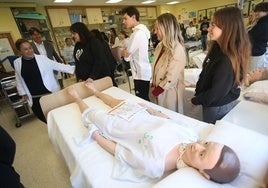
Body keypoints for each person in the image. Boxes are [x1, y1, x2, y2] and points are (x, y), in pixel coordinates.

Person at [67, 80, 240, 184]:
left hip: (119, 128)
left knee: (92, 115)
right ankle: (96, 91)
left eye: (202, 155)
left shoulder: (156, 165)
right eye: (206, 144)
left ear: (203, 173)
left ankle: (76, 98)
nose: (197, 147)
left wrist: (96, 135)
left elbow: (118, 150)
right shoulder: (191, 135)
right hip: (141, 116)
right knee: (117, 102)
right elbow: (167, 119)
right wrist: (149, 109)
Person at [189, 7, 251, 124]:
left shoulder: (226, 60)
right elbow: (205, 74)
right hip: (213, 103)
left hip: (216, 107)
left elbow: (216, 93)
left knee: (212, 136)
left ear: (228, 28)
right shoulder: (218, 48)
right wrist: (198, 93)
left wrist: (197, 100)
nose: (208, 29)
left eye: (213, 25)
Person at [14, 39, 75, 123]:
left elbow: (57, 65)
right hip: (34, 97)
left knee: (58, 117)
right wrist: (23, 92)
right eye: (25, 49)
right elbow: (18, 78)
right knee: (44, 118)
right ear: (20, 51)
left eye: (30, 48)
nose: (30, 51)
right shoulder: (17, 62)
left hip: (48, 94)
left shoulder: (42, 58)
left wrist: (76, 68)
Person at [150, 13, 186, 113]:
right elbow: (157, 68)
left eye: (157, 28)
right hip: (158, 90)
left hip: (169, 92)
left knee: (169, 118)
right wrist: (153, 84)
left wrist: (157, 91)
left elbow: (171, 77)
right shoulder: (160, 46)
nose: (155, 32)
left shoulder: (177, 49)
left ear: (166, 29)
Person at [121, 6, 152, 101]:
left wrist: (122, 52)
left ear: (133, 17)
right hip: (144, 71)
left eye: (125, 18)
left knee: (143, 101)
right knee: (145, 98)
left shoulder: (137, 34)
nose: (123, 21)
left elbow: (127, 57)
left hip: (140, 73)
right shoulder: (143, 32)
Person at [248, 2, 268, 71]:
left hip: (256, 54)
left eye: (259, 11)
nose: (256, 13)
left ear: (266, 12)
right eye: (256, 11)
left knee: (251, 74)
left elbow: (249, 36)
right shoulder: (260, 22)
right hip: (256, 52)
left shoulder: (264, 24)